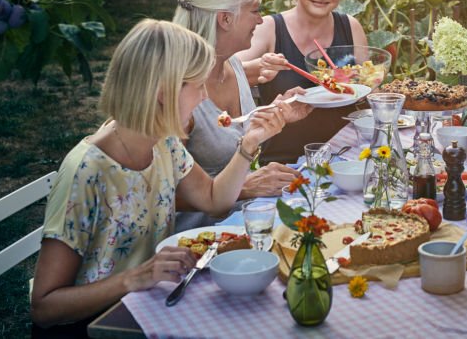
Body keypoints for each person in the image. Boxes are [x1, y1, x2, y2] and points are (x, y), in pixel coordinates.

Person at [30, 20, 285, 336]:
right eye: (198, 85)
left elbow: (215, 201)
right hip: (98, 326)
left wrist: (249, 146)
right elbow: (44, 307)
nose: (205, 97)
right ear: (164, 91)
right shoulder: (87, 171)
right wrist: (134, 277)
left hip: (150, 305)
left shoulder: (164, 142)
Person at [172, 0, 313, 230]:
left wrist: (279, 111)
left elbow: (236, 132)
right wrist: (245, 187)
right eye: (255, 11)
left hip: (247, 219)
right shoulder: (181, 91)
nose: (261, 20)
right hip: (200, 240)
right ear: (225, 19)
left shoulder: (232, 64)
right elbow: (156, 192)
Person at [239, 0, 368, 162]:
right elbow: (226, 75)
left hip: (347, 156)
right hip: (283, 162)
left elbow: (365, 90)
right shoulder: (269, 29)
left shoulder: (351, 27)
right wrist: (259, 66)